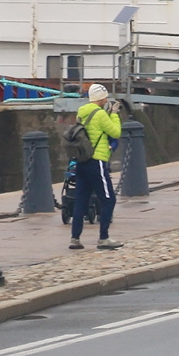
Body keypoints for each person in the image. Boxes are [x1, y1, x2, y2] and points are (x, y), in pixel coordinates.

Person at [69, 83, 124, 250]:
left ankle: (75, 238)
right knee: (108, 199)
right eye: (105, 97)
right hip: (97, 161)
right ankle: (104, 238)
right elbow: (115, 133)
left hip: (82, 161)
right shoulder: (100, 114)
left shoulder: (81, 112)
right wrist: (114, 114)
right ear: (102, 98)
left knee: (81, 200)